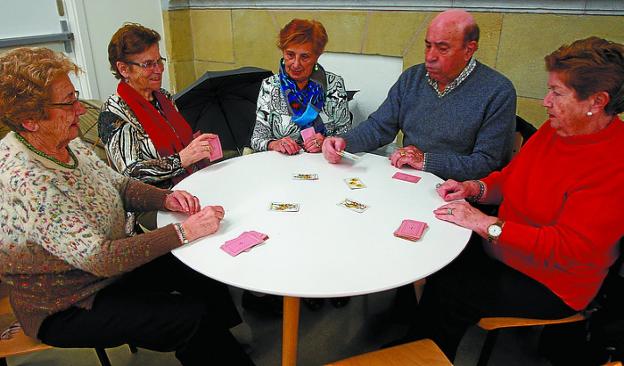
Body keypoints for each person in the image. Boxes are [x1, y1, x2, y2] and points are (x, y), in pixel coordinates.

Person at [0, 47, 254, 365]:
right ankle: (216, 345)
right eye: (68, 103)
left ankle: (223, 342)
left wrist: (164, 198)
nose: (80, 109)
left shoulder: (65, 140)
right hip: (68, 301)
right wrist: (184, 230)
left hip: (104, 271)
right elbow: (101, 258)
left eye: (75, 96)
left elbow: (118, 184)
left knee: (194, 267)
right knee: (187, 317)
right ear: (30, 121)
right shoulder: (27, 180)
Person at [415, 36, 624, 361]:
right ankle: (416, 340)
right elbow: (512, 178)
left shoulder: (615, 163)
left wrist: (486, 224)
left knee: (451, 290)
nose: (545, 101)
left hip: (553, 282)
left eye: (557, 92)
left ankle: (424, 353)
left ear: (595, 101)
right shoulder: (557, 129)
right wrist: (476, 188)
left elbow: (568, 248)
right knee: (434, 248)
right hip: (506, 246)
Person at [322, 9, 516, 182]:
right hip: (408, 181)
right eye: (428, 45)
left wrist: (426, 161)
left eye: (442, 48)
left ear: (469, 50)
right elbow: (379, 127)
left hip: (458, 193)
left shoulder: (498, 91)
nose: (430, 56)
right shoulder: (412, 78)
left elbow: (487, 163)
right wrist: (344, 141)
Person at [98, 23, 219, 232]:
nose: (159, 70)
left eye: (159, 61)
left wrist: (200, 150)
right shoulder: (112, 113)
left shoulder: (164, 97)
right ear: (123, 69)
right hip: (149, 205)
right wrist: (181, 160)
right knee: (209, 220)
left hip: (187, 185)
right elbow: (131, 174)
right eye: (148, 64)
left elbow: (181, 143)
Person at [250, 18, 351, 155]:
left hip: (324, 164)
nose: (296, 64)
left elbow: (347, 135)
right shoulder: (270, 86)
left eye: (305, 57)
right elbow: (257, 139)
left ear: (317, 56)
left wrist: (327, 141)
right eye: (290, 55)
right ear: (283, 52)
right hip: (282, 165)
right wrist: (275, 144)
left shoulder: (334, 85)